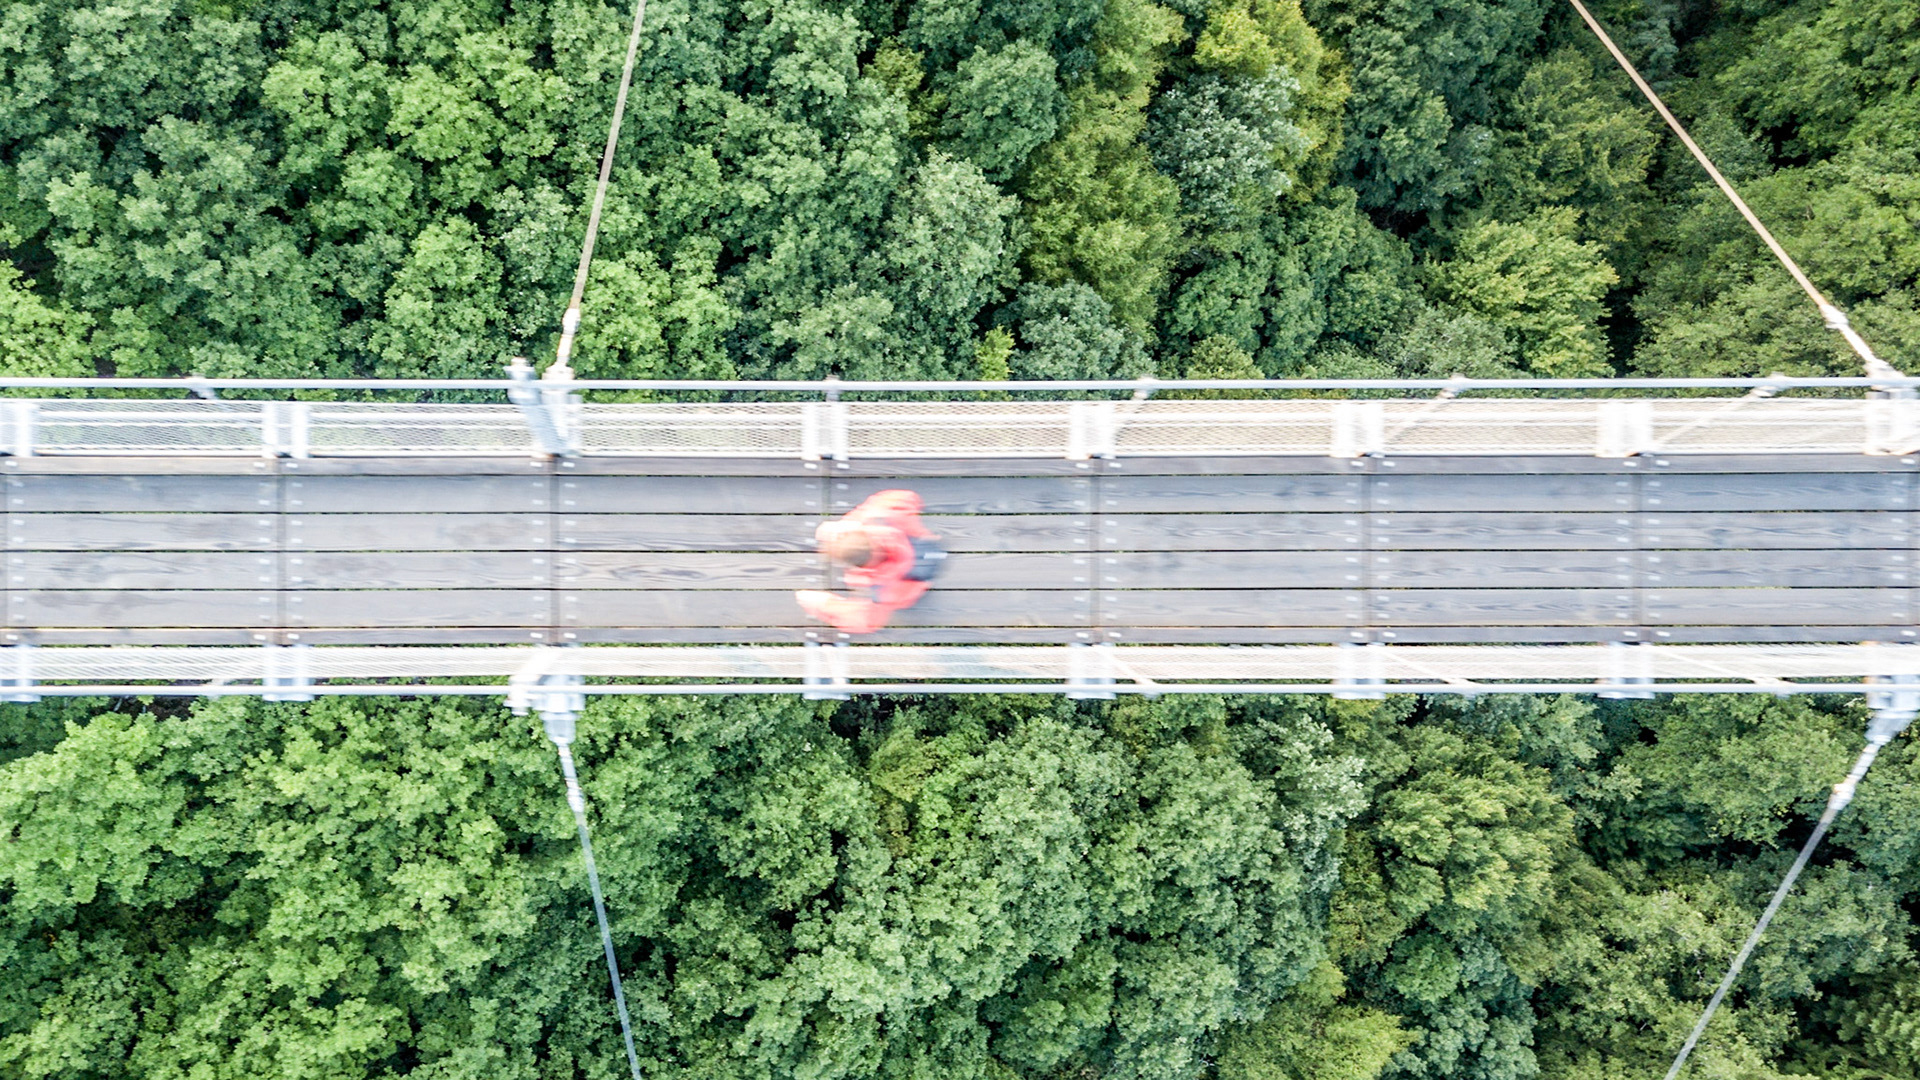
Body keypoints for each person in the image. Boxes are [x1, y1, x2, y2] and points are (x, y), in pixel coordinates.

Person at [795, 489, 945, 634]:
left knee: (898, 598)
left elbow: (864, 622)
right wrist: (855, 521)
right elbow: (904, 497)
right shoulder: (893, 521)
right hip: (924, 550)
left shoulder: (882, 590)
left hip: (914, 585)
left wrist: (823, 604)